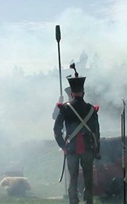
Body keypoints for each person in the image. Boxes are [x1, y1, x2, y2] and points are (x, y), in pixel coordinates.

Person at [54, 63, 101, 204]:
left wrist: (63, 145)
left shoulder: (65, 109)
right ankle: (88, 202)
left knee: (73, 178)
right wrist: (97, 150)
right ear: (83, 92)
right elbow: (96, 132)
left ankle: (73, 202)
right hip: (88, 147)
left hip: (71, 148)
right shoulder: (91, 109)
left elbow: (56, 130)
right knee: (88, 178)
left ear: (72, 93)